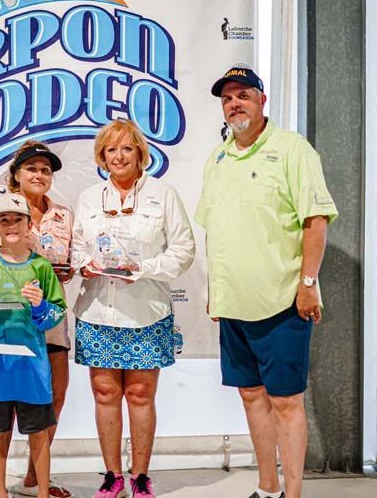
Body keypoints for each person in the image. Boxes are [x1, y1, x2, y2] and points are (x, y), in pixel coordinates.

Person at [195, 66, 338, 498]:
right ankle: (268, 487)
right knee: (251, 398)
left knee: (286, 402)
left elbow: (315, 221)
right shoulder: (217, 159)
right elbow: (217, 229)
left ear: (262, 101)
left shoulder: (293, 150)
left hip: (282, 303)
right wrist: (216, 292)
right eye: (227, 98)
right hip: (234, 303)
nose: (234, 103)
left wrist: (308, 282)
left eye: (243, 95)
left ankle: (293, 494)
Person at [70, 119, 195, 498]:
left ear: (141, 152)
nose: (119, 156)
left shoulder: (164, 194)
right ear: (102, 157)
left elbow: (184, 250)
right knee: (104, 394)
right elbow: (76, 246)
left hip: (147, 311)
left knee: (140, 395)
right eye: (111, 150)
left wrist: (144, 270)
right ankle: (112, 476)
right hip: (96, 311)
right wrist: (82, 264)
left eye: (127, 148)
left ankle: (140, 476)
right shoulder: (90, 198)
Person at [0, 141, 75, 498]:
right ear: (16, 174)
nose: (39, 175)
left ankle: (35, 479)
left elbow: (65, 272)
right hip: (4, 338)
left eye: (46, 169)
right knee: (0, 415)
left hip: (46, 331)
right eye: (32, 168)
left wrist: (44, 304)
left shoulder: (62, 215)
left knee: (49, 401)